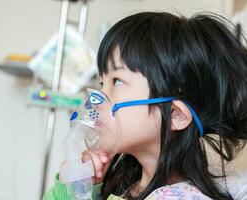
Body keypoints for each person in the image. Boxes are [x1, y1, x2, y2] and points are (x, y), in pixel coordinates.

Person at [43, 12, 247, 200]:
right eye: (101, 83)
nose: (98, 98)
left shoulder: (180, 197)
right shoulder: (124, 185)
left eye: (117, 81)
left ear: (175, 115)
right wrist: (78, 188)